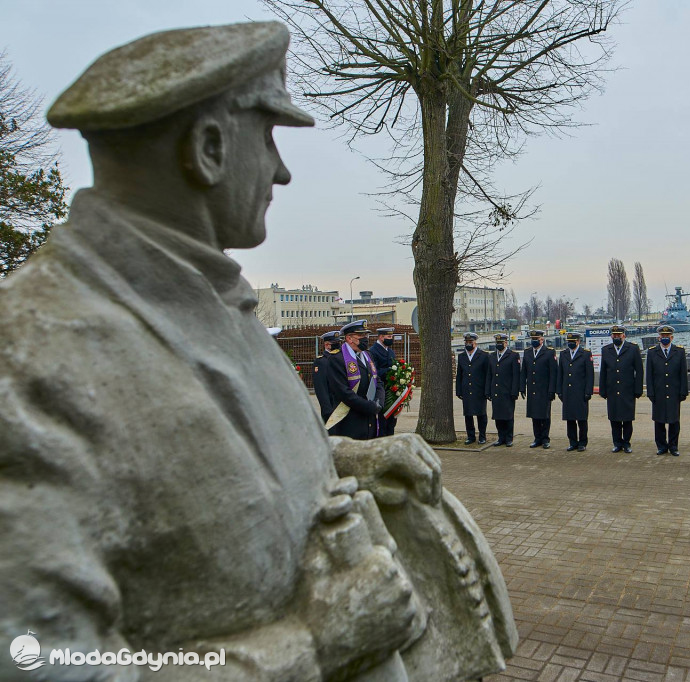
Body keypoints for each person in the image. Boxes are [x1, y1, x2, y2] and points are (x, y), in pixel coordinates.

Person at [0, 23, 504, 678]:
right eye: (267, 137)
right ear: (208, 149)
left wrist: (351, 458)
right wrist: (314, 642)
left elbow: (214, 460)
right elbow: (40, 661)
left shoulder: (211, 297)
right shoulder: (32, 356)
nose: (282, 170)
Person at [323, 319, 384, 439]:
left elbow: (378, 382)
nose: (365, 338)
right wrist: (368, 407)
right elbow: (343, 392)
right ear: (349, 338)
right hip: (350, 421)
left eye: (366, 335)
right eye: (361, 335)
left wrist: (379, 402)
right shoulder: (337, 359)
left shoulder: (368, 355)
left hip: (369, 419)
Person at [599, 325, 644, 453]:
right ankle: (617, 443)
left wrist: (638, 389)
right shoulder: (606, 350)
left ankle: (626, 443)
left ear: (624, 335)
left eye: (619, 335)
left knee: (627, 419)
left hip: (627, 389)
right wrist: (603, 390)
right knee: (614, 419)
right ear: (611, 336)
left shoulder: (633, 349)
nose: (617, 337)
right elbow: (603, 372)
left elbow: (639, 371)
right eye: (614, 335)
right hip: (612, 389)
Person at [646, 325, 688, 456]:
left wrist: (683, 391)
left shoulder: (679, 352)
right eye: (662, 337)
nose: (665, 338)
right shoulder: (652, 352)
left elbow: (683, 373)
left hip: (674, 392)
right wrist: (650, 392)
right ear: (659, 338)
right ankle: (661, 446)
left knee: (674, 420)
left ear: (672, 337)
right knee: (659, 421)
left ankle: (673, 446)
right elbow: (649, 375)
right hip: (658, 392)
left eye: (667, 337)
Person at [557, 331, 595, 451]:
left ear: (578, 341)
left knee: (582, 419)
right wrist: (559, 391)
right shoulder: (564, 354)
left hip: (580, 392)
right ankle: (572, 442)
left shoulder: (585, 354)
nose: (570, 344)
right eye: (569, 342)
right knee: (570, 419)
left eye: (573, 342)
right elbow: (560, 374)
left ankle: (582, 442)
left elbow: (590, 375)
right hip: (567, 391)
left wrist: (588, 391)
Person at [520, 329, 557, 448]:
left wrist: (552, 390)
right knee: (534, 415)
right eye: (533, 339)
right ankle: (537, 438)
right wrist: (522, 387)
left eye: (536, 339)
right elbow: (524, 372)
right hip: (532, 389)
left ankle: (545, 439)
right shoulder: (527, 352)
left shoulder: (549, 353)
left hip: (544, 389)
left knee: (545, 415)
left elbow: (553, 373)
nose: (534, 341)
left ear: (542, 340)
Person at [456, 332, 490, 444]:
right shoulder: (461, 356)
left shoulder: (484, 356)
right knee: (468, 414)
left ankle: (482, 436)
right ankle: (470, 436)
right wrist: (458, 390)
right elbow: (459, 375)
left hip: (479, 390)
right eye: (467, 342)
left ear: (475, 342)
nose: (468, 344)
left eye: (471, 342)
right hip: (467, 390)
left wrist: (487, 390)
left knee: (481, 414)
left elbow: (487, 375)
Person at [488, 332, 520, 447]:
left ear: (506, 343)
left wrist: (514, 391)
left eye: (501, 343)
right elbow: (489, 375)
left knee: (508, 416)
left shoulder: (513, 356)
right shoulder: (491, 356)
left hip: (507, 391)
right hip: (495, 391)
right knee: (498, 416)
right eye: (497, 343)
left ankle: (509, 438)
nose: (499, 345)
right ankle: (501, 437)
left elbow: (516, 375)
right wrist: (488, 391)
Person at [369, 326, 400, 435]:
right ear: (381, 337)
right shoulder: (373, 351)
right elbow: (374, 372)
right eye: (389, 336)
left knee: (392, 419)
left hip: (392, 390)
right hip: (381, 390)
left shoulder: (390, 351)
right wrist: (390, 370)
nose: (391, 338)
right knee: (383, 419)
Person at [313, 329, 343, 421]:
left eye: (339, 342)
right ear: (326, 345)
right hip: (331, 406)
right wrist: (327, 410)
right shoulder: (321, 362)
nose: (338, 345)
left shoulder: (341, 358)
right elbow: (321, 388)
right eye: (335, 343)